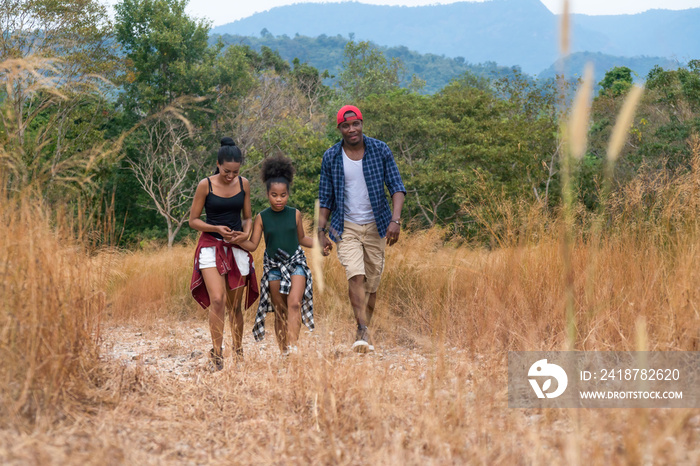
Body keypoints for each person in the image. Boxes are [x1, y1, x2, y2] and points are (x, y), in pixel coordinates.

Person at [317, 105, 406, 353]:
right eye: (346, 125)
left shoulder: (380, 149)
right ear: (339, 128)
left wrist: (395, 221)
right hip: (346, 227)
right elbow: (325, 199)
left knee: (372, 282)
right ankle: (362, 329)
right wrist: (321, 231)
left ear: (361, 123)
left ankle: (367, 328)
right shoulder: (331, 156)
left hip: (377, 225)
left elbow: (397, 187)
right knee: (355, 274)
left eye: (355, 123)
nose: (351, 129)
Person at [189, 137, 259, 371]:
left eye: (235, 171)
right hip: (210, 245)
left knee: (234, 306)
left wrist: (245, 234)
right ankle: (217, 354)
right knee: (217, 300)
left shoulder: (244, 184)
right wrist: (216, 228)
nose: (231, 176)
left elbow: (248, 217)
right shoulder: (205, 185)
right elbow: (193, 220)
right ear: (218, 165)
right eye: (227, 171)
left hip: (236, 246)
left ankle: (238, 352)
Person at [234, 155, 315, 355]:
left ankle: (294, 348)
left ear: (288, 194)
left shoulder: (295, 214)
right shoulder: (262, 217)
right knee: (280, 312)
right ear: (268, 194)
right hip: (274, 269)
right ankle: (284, 352)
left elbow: (303, 238)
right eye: (274, 195)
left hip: (296, 264)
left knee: (294, 303)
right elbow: (253, 244)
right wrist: (235, 239)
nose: (279, 199)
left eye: (283, 195)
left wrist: (322, 244)